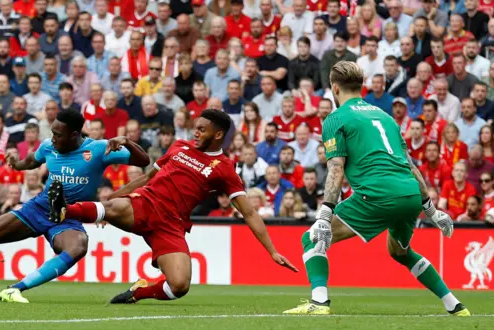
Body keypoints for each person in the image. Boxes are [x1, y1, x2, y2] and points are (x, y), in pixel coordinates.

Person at [49, 109, 297, 304]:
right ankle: (63, 210)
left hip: (171, 225)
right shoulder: (179, 146)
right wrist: (112, 198)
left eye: (202, 129)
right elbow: (147, 178)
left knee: (179, 286)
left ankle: (139, 293)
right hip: (146, 203)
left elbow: (249, 212)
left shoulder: (224, 168)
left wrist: (272, 251)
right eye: (195, 128)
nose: (195, 133)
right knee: (114, 207)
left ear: (218, 135)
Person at [283, 61, 467, 316]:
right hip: (410, 193)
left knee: (311, 238)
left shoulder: (335, 118)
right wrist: (432, 210)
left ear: (334, 89)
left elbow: (336, 168)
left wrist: (325, 215)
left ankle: (320, 303)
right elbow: (411, 166)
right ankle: (455, 306)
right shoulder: (387, 118)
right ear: (361, 87)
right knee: (400, 252)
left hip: (378, 194)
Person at [0, 108, 151, 303]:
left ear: (74, 134)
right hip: (39, 208)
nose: (52, 137)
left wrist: (127, 142)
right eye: (52, 132)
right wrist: (17, 164)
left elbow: (144, 162)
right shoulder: (48, 146)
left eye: (57, 134)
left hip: (69, 215)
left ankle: (14, 290)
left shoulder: (99, 149)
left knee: (78, 247)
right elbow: (32, 161)